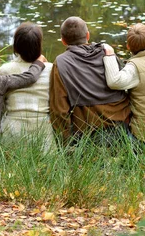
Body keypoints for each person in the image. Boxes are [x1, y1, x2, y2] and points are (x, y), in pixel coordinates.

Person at [49, 16, 131, 145]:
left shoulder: (61, 63)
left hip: (88, 135)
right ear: (88, 35)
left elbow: (59, 109)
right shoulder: (108, 54)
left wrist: (65, 146)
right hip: (122, 129)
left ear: (63, 41)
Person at [0, 22, 55, 152]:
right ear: (39, 46)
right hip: (43, 131)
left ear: (16, 47)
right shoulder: (52, 69)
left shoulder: (5, 70)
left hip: (12, 132)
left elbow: (1, 106)